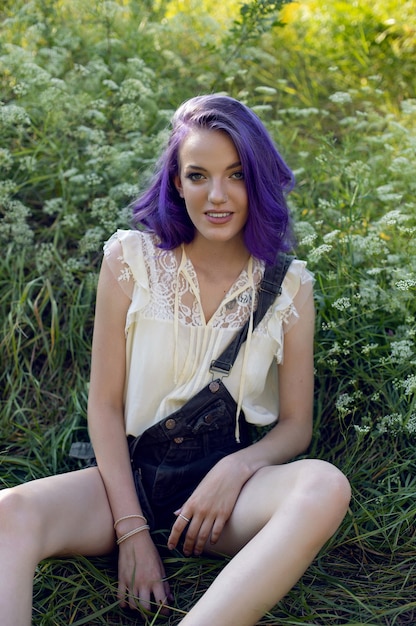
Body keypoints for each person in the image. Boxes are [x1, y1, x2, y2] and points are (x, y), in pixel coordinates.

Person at [0, 94, 351, 626]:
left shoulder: (289, 287)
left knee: (325, 485)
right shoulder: (130, 261)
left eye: (235, 175)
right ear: (177, 183)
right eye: (198, 176)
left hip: (227, 501)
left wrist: (238, 467)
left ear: (256, 180)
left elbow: (296, 426)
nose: (217, 195)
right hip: (130, 476)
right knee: (8, 512)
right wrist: (131, 530)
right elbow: (105, 405)